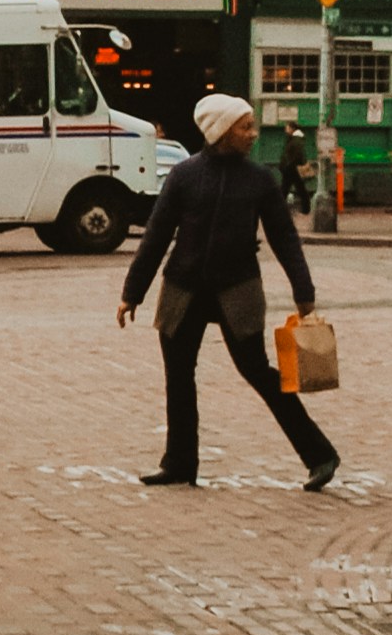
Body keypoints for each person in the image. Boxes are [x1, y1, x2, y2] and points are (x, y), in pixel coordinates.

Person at [118, 90, 337, 491]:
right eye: (245, 127)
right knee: (178, 377)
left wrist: (303, 291)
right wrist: (133, 291)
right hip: (183, 289)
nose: (254, 134)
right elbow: (157, 235)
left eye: (252, 125)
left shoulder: (260, 180)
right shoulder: (184, 176)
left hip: (238, 289)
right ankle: (179, 463)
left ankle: (320, 455)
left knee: (259, 372)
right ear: (221, 131)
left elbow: (284, 238)